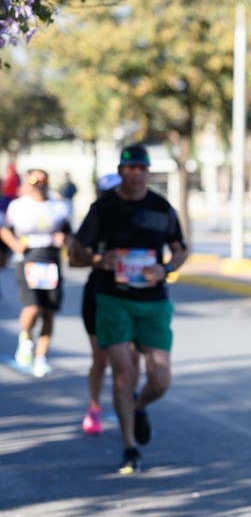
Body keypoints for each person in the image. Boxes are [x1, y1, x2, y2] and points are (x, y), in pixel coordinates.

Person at [69, 145, 189, 474]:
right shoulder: (103, 208)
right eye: (129, 167)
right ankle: (129, 447)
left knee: (160, 379)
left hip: (152, 300)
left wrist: (165, 269)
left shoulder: (161, 208)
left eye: (141, 168)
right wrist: (98, 259)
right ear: (120, 171)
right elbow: (75, 253)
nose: (136, 173)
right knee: (122, 371)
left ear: (148, 172)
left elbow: (180, 250)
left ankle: (137, 406)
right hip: (112, 297)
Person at [69, 173, 140, 435]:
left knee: (132, 355)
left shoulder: (138, 215)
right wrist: (98, 260)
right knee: (101, 359)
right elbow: (73, 257)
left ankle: (132, 403)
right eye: (107, 192)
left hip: (133, 294)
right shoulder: (96, 217)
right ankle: (94, 406)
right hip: (100, 293)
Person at [1, 169, 73, 378]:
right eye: (35, 180)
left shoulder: (59, 207)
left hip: (51, 260)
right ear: (27, 183)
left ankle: (40, 357)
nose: (39, 184)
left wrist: (64, 240)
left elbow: (69, 234)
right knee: (32, 309)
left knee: (49, 312)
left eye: (44, 180)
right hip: (29, 260)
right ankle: (25, 338)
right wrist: (14, 245)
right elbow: (5, 229)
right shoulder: (18, 206)